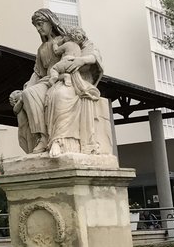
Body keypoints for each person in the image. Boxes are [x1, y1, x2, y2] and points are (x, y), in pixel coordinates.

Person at [9, 9, 111, 157]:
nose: (38, 29)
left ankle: (60, 140)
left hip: (71, 77)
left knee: (59, 94)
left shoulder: (68, 38)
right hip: (48, 79)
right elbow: (37, 73)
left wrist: (81, 60)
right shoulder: (41, 48)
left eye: (40, 24)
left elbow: (93, 52)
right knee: (29, 94)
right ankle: (42, 137)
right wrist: (26, 89)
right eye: (36, 26)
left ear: (51, 22)